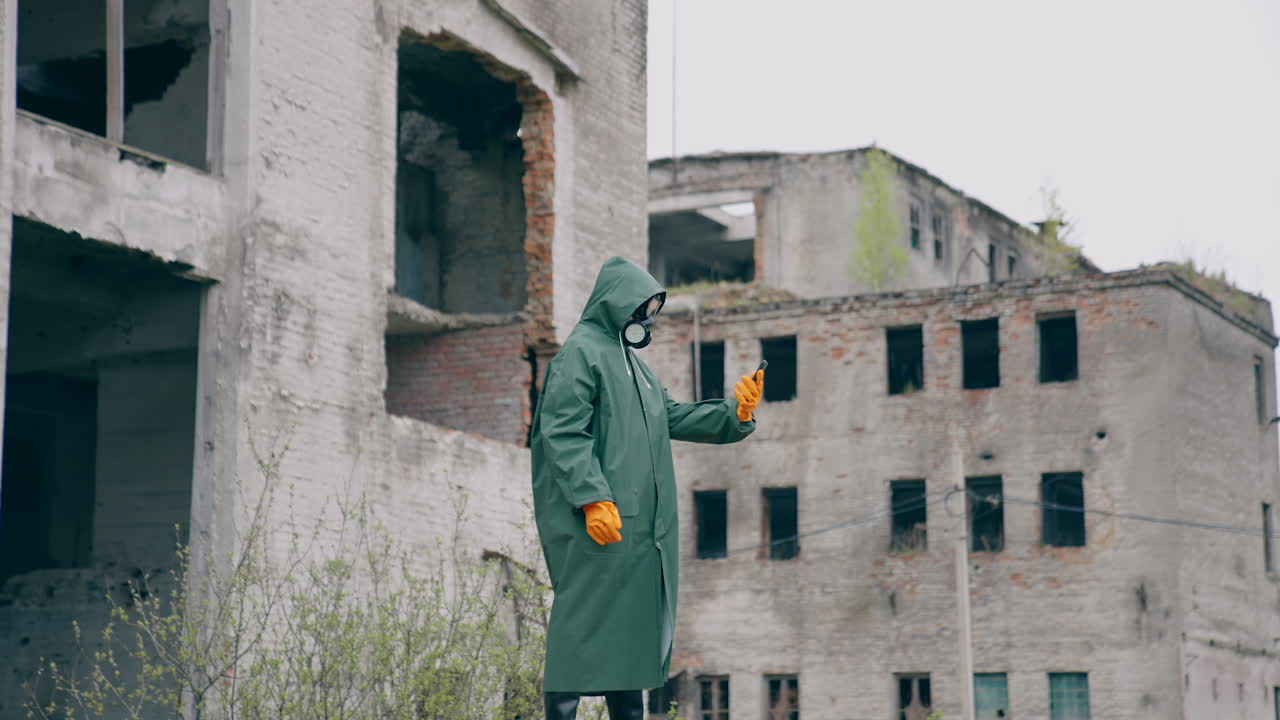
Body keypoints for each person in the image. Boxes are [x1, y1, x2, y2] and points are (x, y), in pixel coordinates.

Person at [530, 257, 764, 719]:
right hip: (596, 523)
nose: (645, 319)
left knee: (630, 638)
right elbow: (562, 431)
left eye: (650, 310)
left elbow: (672, 416)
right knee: (578, 626)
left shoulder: (633, 365)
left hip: (640, 534)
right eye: (640, 307)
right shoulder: (580, 353)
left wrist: (735, 413)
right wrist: (592, 496)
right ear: (615, 302)